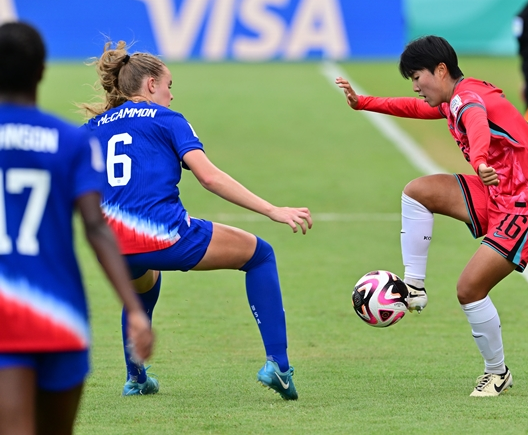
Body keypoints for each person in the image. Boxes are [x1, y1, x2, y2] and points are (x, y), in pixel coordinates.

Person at [82, 41, 312, 400]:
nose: (172, 95)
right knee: (260, 255)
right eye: (169, 85)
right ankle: (279, 367)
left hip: (111, 247)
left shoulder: (91, 128)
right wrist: (272, 209)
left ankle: (136, 377)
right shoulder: (168, 120)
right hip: (167, 236)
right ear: (151, 84)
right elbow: (210, 178)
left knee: (144, 280)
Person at [336, 35, 528, 397]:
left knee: (469, 289)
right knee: (418, 191)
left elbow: (477, 122)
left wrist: (478, 160)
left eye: (418, 77)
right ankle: (413, 286)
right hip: (496, 191)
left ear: (441, 70)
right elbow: (415, 109)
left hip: (526, 205)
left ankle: (497, 372)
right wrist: (364, 103)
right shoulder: (456, 96)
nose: (415, 87)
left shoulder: (466, 98)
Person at [0, 22, 153, 434]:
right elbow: (97, 228)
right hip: (60, 311)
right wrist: (135, 309)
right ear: (41, 72)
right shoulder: (69, 141)